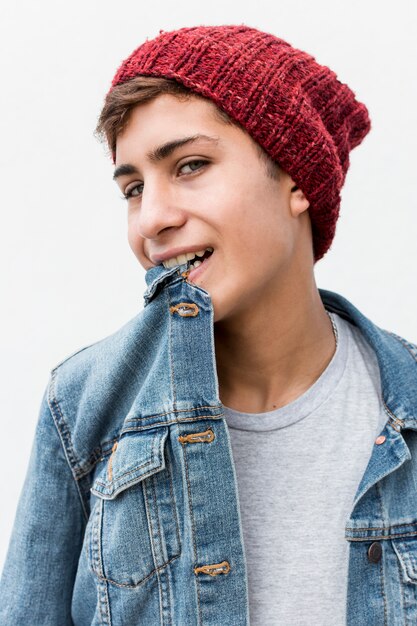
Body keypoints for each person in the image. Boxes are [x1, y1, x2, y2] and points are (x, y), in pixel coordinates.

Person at [1, 24, 416, 626]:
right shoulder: (84, 404)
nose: (153, 219)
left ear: (297, 178)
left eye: (191, 165)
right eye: (134, 188)